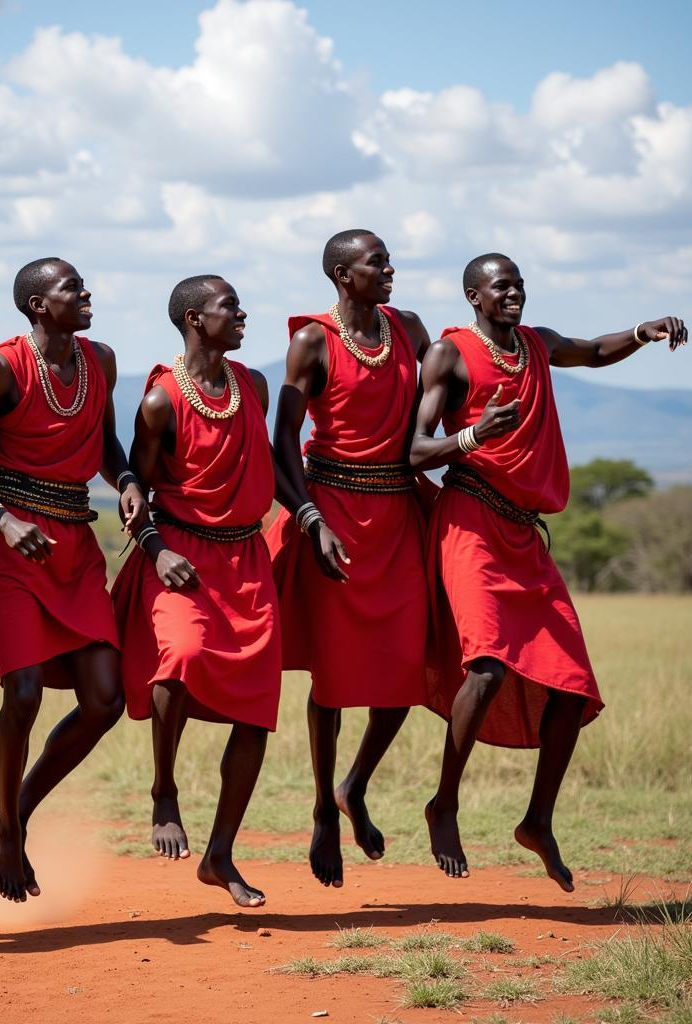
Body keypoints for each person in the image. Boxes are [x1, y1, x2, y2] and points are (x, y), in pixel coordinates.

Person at [411, 252, 687, 891]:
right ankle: (444, 803)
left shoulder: (536, 345)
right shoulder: (450, 355)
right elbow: (416, 450)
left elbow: (591, 351)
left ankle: (538, 820)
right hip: (471, 519)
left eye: (519, 285)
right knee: (484, 666)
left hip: (523, 533)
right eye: (500, 287)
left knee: (571, 686)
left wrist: (640, 334)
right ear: (473, 296)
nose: (514, 294)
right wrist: (475, 436)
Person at [0, 257, 147, 903]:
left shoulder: (103, 361)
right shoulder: (1, 368)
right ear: (38, 305)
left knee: (104, 700)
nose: (86, 293)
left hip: (74, 544)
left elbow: (107, 445)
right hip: (10, 545)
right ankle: (10, 833)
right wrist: (3, 521)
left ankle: (11, 814)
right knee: (26, 692)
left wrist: (126, 482)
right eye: (71, 288)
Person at [265, 229, 433, 889]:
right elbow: (283, 438)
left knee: (406, 668)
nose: (389, 270)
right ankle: (321, 813)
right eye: (376, 262)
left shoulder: (411, 328)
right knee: (332, 678)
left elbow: (437, 410)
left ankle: (354, 785)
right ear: (342, 274)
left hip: (399, 516)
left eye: (389, 260)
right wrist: (309, 520)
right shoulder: (313, 342)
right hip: (333, 514)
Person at [111, 275, 280, 908]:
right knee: (177, 660)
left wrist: (312, 520)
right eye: (228, 307)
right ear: (192, 319)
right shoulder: (159, 401)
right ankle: (164, 790)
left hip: (248, 559)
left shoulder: (254, 386)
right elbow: (138, 494)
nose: (242, 314)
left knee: (257, 710)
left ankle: (220, 855)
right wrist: (159, 553)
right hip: (182, 554)